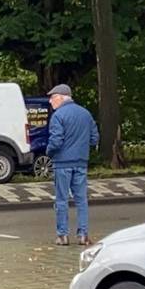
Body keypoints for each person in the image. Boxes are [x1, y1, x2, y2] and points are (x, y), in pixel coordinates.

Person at [45, 84, 99, 246]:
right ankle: (83, 235)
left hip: (62, 163)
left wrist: (48, 152)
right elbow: (94, 138)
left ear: (61, 98)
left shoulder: (58, 116)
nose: (50, 101)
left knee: (62, 200)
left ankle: (63, 235)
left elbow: (56, 140)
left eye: (52, 98)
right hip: (81, 162)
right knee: (81, 200)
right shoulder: (85, 114)